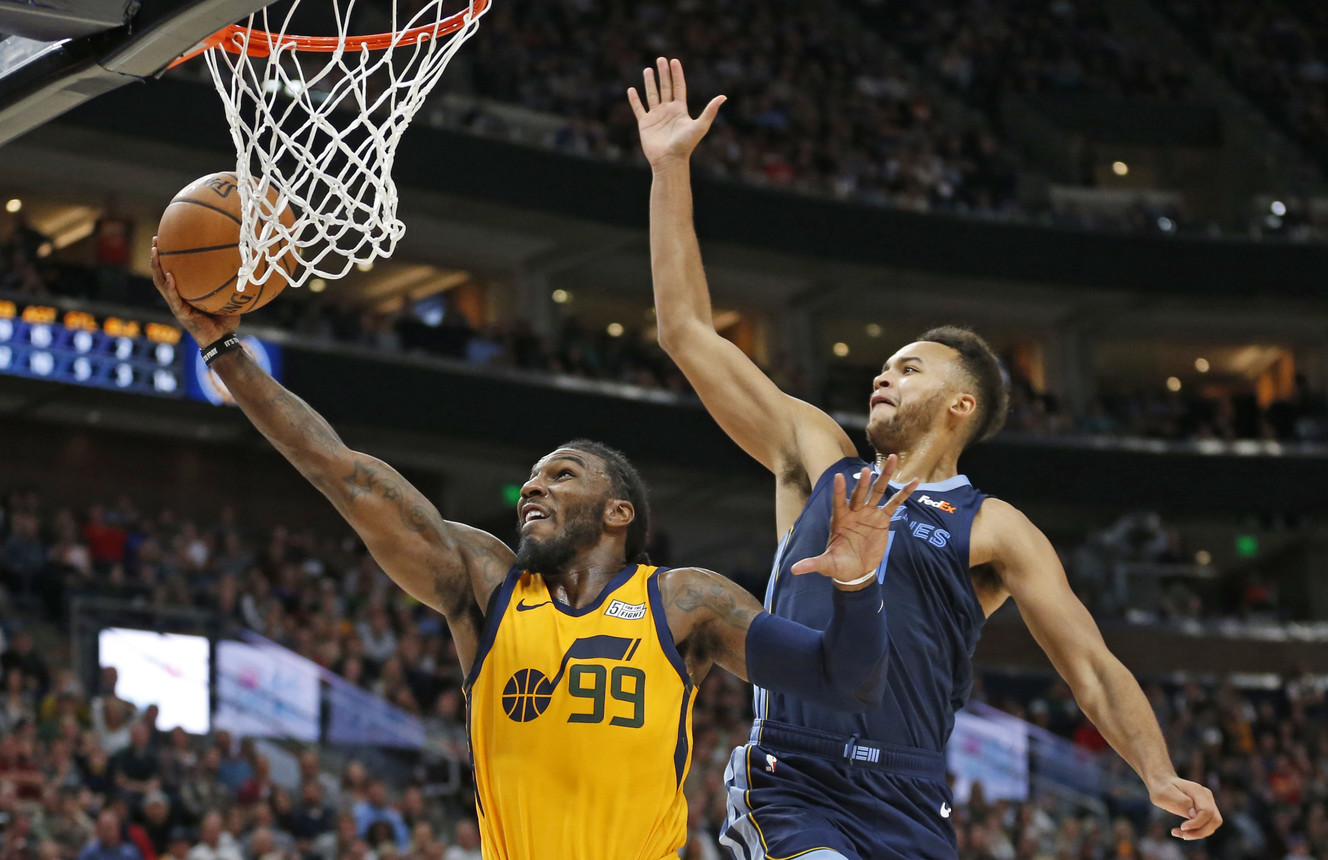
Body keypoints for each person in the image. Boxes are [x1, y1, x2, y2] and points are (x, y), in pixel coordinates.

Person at [628, 57, 1223, 860]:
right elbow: (687, 333)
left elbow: (1089, 662)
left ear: (960, 407)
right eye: (885, 363)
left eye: (910, 367)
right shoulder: (818, 460)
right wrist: (670, 172)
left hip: (911, 795)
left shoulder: (998, 530)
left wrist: (1157, 771)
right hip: (795, 776)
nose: (883, 372)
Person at [149, 246, 917, 860]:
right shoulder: (486, 584)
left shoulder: (684, 602)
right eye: (532, 477)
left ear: (619, 511)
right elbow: (344, 475)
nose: (534, 487)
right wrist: (225, 350)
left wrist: (857, 589)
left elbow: (844, 682)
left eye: (562, 474)